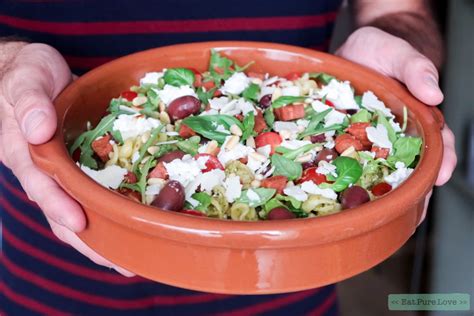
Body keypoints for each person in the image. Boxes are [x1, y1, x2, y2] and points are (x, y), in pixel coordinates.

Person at [0, 0, 457, 314]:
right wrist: (7, 66)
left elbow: (401, 11)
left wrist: (396, 54)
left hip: (290, 276)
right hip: (57, 261)